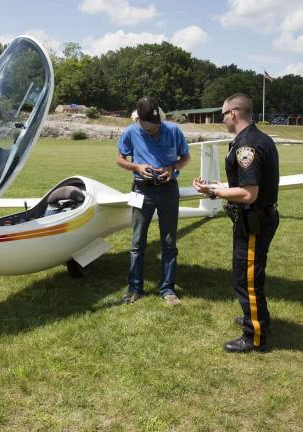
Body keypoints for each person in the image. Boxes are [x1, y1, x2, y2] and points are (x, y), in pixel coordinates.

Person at [193, 93, 279, 352]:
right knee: (249, 276)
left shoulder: (245, 146)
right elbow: (245, 184)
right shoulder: (257, 138)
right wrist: (216, 186)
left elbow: (248, 194)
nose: (222, 119)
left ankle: (254, 336)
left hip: (253, 221)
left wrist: (214, 193)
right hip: (257, 218)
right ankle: (255, 319)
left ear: (233, 113)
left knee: (247, 278)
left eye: (222, 114)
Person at [117, 96, 190, 306]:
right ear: (139, 120)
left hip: (168, 191)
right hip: (141, 190)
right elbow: (120, 159)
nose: (153, 132)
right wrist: (137, 167)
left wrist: (171, 168)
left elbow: (185, 157)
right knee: (137, 241)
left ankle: (167, 289)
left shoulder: (173, 130)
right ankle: (134, 287)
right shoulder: (130, 131)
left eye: (156, 127)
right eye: (148, 130)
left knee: (169, 242)